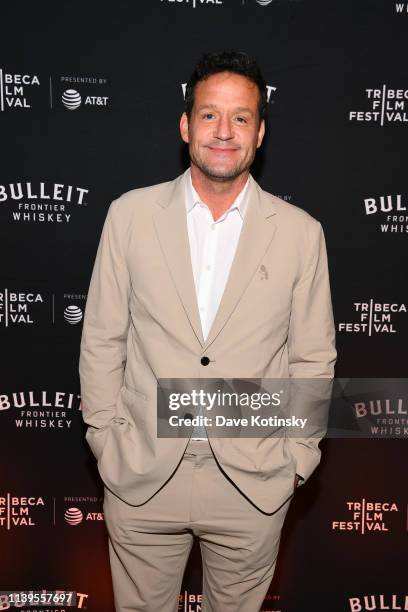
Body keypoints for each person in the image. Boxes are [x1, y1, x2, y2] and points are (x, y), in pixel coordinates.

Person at [79, 50, 337, 612]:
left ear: (260, 132)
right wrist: (105, 437)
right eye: (209, 115)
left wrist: (297, 459)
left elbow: (312, 360)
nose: (224, 131)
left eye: (240, 118)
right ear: (185, 125)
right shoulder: (129, 216)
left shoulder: (300, 235)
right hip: (142, 473)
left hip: (253, 483)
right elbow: (102, 336)